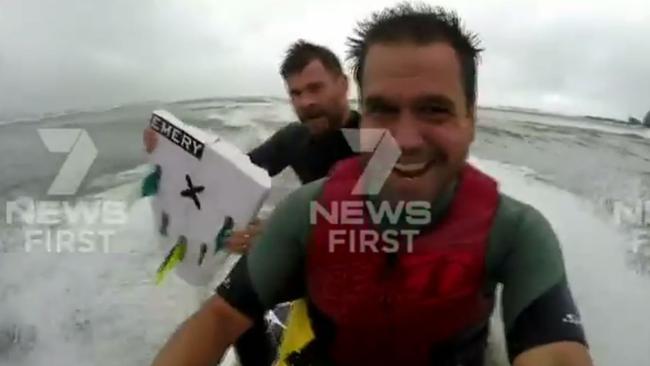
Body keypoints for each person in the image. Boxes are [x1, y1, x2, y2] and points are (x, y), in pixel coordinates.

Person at [150, 3, 593, 366]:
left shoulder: (516, 232)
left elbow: (557, 353)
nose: (403, 139)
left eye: (435, 110)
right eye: (296, 94)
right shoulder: (296, 153)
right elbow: (237, 179)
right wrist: (176, 162)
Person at [143, 40, 360, 366]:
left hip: (360, 258)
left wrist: (281, 232)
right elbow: (232, 176)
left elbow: (373, 213)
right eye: (296, 93)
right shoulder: (295, 138)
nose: (306, 102)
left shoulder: (375, 138)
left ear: (343, 85)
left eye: (315, 88)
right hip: (306, 253)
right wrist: (169, 159)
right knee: (237, 314)